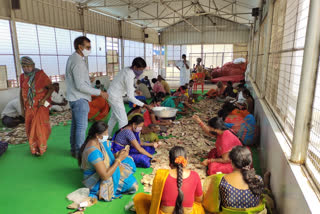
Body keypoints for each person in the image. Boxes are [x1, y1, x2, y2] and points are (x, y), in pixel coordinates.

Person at [65, 36, 108, 158]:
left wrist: (87, 80)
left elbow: (78, 81)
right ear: (80, 47)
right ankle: (80, 152)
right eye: (88, 47)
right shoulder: (78, 61)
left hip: (74, 97)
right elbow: (80, 86)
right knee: (81, 127)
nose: (90, 49)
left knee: (75, 125)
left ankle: (74, 149)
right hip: (79, 98)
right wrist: (100, 92)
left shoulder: (73, 58)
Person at [78, 121, 138, 206]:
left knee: (129, 160)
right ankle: (112, 185)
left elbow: (106, 157)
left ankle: (120, 175)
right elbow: (105, 176)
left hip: (104, 168)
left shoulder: (98, 141)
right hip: (97, 180)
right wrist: (119, 159)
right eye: (105, 133)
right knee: (133, 185)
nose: (107, 135)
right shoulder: (93, 152)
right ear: (97, 135)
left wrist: (118, 155)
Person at [133, 146, 205, 214]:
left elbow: (155, 199)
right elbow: (199, 199)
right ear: (186, 160)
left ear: (170, 161)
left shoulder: (160, 174)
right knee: (198, 206)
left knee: (139, 198)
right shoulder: (194, 175)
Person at [203, 146, 266, 213]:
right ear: (250, 162)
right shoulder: (258, 179)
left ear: (232, 163)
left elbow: (211, 205)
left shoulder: (222, 181)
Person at [108, 57, 151, 137]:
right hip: (115, 96)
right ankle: (123, 140)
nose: (141, 72)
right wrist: (144, 105)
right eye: (140, 69)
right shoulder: (129, 75)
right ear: (135, 67)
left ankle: (107, 137)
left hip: (114, 94)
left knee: (113, 118)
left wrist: (134, 90)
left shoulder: (128, 69)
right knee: (123, 120)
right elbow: (130, 97)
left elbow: (126, 85)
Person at [19, 56, 54, 156]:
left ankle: (41, 147)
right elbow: (21, 92)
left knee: (41, 127)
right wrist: (22, 108)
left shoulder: (40, 75)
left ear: (33, 65)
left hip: (40, 106)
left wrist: (43, 100)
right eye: (24, 66)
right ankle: (34, 148)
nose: (26, 68)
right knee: (30, 127)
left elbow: (51, 88)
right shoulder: (22, 77)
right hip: (29, 107)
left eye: (28, 66)